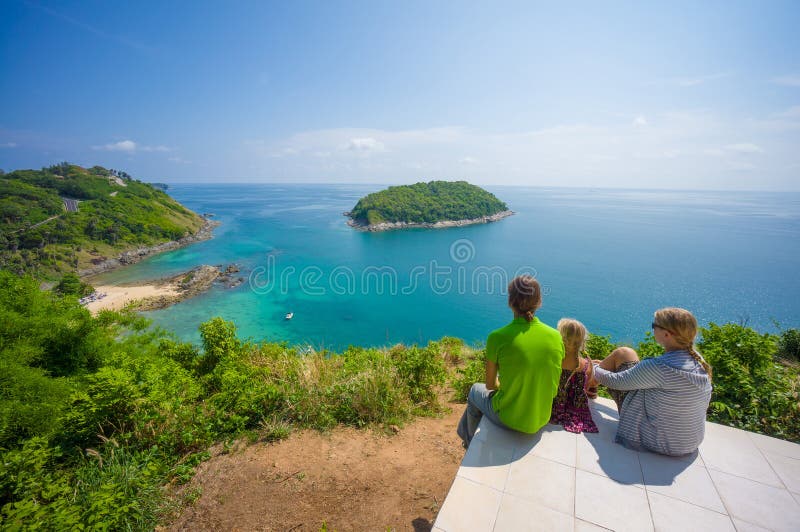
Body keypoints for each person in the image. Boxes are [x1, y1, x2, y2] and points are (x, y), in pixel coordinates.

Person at [456, 275, 564, 447]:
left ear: (510, 302)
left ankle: (468, 440)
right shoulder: (556, 337)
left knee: (475, 390)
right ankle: (466, 438)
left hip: (509, 418)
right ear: (539, 302)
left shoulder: (497, 337)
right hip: (542, 416)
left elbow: (490, 385)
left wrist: (508, 385)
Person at [590, 307, 713, 456]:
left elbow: (616, 381)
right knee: (625, 355)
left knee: (623, 353)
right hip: (688, 444)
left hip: (657, 441)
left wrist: (594, 367)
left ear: (666, 334)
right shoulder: (698, 361)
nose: (653, 328)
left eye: (654, 326)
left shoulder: (659, 367)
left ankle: (587, 387)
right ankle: (591, 385)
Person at [549, 318, 598, 433]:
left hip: (552, 406)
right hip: (575, 406)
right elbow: (587, 385)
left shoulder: (554, 360)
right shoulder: (587, 364)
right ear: (582, 341)